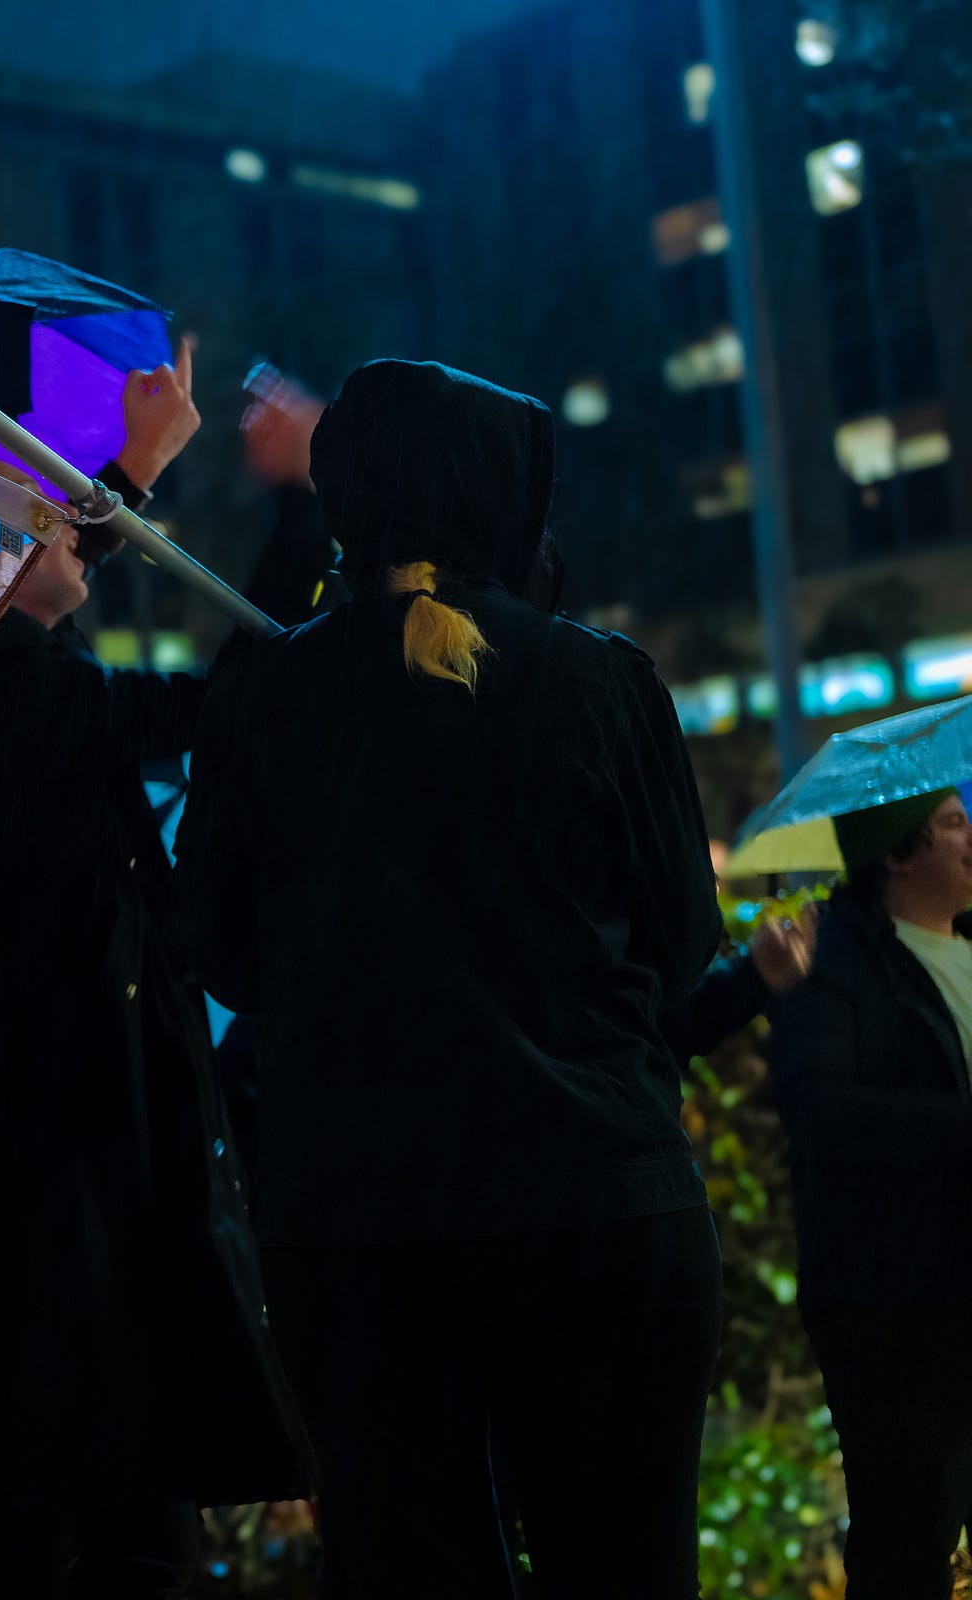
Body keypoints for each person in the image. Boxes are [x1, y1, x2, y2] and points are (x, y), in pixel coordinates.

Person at [171, 358, 727, 1598]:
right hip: (600, 1221)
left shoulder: (259, 698)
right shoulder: (601, 680)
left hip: (363, 1247)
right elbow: (684, 944)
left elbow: (220, 949)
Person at [0, 336, 307, 1599]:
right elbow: (240, 698)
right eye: (39, 510)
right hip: (73, 1173)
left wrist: (137, 474)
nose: (74, 522)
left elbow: (43, 572)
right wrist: (290, 506)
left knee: (70, 1507)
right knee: (105, 1520)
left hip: (59, 1156)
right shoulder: (14, 703)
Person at [770, 786, 972, 1599]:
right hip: (901, 1302)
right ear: (897, 854)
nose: (971, 839)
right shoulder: (839, 965)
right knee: (908, 1537)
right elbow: (821, 1112)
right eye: (955, 824)